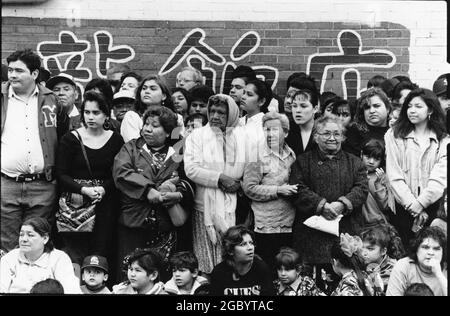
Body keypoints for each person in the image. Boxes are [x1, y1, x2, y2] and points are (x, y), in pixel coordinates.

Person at [113, 106, 194, 281]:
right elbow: (121, 172)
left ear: (167, 132)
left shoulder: (179, 150)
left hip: (166, 226)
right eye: (146, 124)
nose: (147, 129)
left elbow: (189, 176)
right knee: (131, 275)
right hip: (134, 223)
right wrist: (147, 189)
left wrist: (178, 193)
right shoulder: (132, 148)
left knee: (162, 276)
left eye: (155, 126)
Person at [1, 49, 69, 252]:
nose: (12, 75)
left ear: (34, 74)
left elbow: (63, 135)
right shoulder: (2, 97)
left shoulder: (51, 100)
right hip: (6, 184)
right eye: (11, 70)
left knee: (37, 243)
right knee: (7, 245)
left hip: (42, 185)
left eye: (19, 71)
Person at [289, 116, 368, 291]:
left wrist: (342, 204)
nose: (332, 138)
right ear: (316, 136)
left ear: (343, 137)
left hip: (345, 232)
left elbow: (362, 189)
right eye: (326, 134)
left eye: (336, 134)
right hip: (311, 236)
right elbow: (298, 189)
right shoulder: (303, 161)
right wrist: (321, 205)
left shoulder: (355, 163)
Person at [56, 91, 124, 277]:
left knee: (100, 253)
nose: (91, 117)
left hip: (105, 203)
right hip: (75, 205)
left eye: (96, 112)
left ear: (106, 114)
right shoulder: (71, 139)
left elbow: (118, 174)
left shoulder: (116, 140)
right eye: (87, 112)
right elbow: (61, 174)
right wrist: (83, 189)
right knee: (75, 254)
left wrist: (103, 188)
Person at [184, 94, 247, 274]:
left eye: (221, 112)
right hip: (205, 207)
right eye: (212, 111)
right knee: (206, 260)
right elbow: (191, 169)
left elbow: (251, 168)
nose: (215, 116)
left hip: (234, 205)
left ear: (232, 115)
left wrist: (240, 184)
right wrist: (221, 178)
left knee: (232, 259)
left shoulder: (243, 137)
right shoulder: (197, 136)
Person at [384, 88, 449, 244]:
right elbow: (394, 175)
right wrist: (412, 205)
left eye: (418, 106)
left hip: (433, 208)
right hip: (402, 208)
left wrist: (421, 203)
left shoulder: (443, 139)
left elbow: (441, 177)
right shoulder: (394, 135)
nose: (412, 110)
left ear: (431, 110)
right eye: (409, 106)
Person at [242, 112, 297, 272]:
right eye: (266, 129)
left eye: (274, 130)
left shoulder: (291, 155)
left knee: (285, 269)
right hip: (265, 225)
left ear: (285, 133)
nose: (270, 134)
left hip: (288, 223)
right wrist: (278, 190)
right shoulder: (257, 155)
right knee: (267, 269)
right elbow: (249, 188)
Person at [0, 217, 81, 294]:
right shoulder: (9, 259)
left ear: (45, 238)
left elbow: (71, 289)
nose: (24, 239)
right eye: (21, 235)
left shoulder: (59, 258)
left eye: (30, 235)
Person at [209, 225, 275, 295]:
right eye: (243, 244)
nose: (250, 248)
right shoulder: (219, 273)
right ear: (230, 251)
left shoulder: (261, 269)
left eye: (251, 243)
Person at [386, 226, 447, 296]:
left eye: (436, 249)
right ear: (416, 250)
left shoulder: (446, 268)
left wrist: (439, 274)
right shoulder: (404, 266)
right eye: (425, 247)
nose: (431, 253)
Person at [120, 74, 181, 143]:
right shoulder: (132, 117)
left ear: (163, 96)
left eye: (153, 89)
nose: (147, 91)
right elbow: (133, 146)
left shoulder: (177, 118)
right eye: (144, 88)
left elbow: (175, 142)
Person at [343, 87, 391, 156]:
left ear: (387, 109)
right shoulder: (355, 132)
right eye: (367, 107)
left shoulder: (395, 131)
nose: (372, 111)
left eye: (376, 106)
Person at [360, 139, 394, 227]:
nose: (371, 161)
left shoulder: (382, 176)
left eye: (376, 159)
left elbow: (385, 206)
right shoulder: (354, 172)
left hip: (377, 224)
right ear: (361, 154)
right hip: (358, 224)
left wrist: (379, 185)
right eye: (367, 156)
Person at [359, 225, 397, 296]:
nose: (364, 253)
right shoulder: (363, 263)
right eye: (362, 248)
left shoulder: (392, 270)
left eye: (370, 249)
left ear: (383, 251)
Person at [285, 89, 319, 156]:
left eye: (303, 106)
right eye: (294, 106)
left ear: (315, 109)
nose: (298, 110)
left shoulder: (323, 130)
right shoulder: (287, 131)